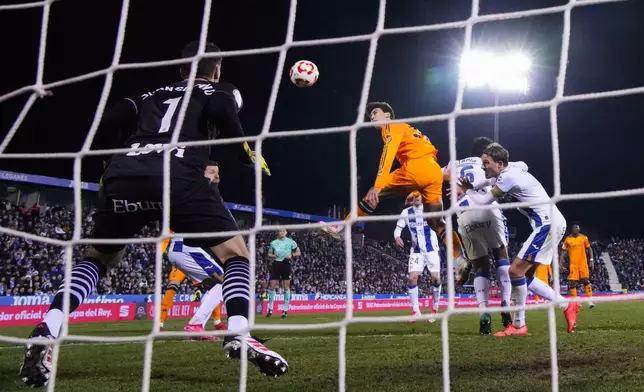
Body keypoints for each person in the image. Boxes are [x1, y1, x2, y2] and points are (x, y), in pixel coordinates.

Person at [20, 41, 286, 387]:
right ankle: (238, 331)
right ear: (216, 69)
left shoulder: (148, 95)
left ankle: (48, 327)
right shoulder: (220, 89)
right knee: (236, 255)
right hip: (177, 175)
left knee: (97, 258)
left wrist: (106, 165)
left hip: (124, 173)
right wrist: (243, 152)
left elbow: (111, 118)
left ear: (180, 69)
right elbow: (223, 111)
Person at [457, 142, 580, 337]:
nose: (483, 167)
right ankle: (567, 305)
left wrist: (468, 190)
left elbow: (481, 202)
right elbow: (522, 165)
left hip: (546, 224)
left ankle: (519, 325)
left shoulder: (508, 177)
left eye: (486, 163)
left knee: (515, 271)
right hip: (552, 222)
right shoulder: (513, 169)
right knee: (527, 277)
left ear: (499, 163)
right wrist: (475, 184)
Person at [322, 102, 463, 260]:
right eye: (370, 116)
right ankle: (460, 257)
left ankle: (342, 228)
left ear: (387, 115)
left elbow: (387, 155)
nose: (372, 117)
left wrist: (378, 186)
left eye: (375, 112)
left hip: (415, 167)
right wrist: (417, 191)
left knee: (372, 196)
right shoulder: (408, 129)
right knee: (436, 221)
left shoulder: (390, 127)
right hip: (434, 171)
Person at [443, 137, 518, 334]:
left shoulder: (452, 165)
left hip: (464, 215)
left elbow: (434, 176)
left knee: (479, 266)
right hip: (488, 208)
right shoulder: (487, 164)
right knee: (502, 256)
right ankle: (505, 302)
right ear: (485, 153)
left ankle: (484, 312)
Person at [159, 163, 227, 332]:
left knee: (217, 285)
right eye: (213, 173)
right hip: (184, 248)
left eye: (218, 174)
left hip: (187, 249)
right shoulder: (196, 193)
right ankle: (194, 324)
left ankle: (208, 322)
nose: (217, 177)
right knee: (224, 281)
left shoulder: (203, 195)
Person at [394, 191, 442, 323]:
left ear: (423, 196)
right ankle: (416, 311)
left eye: (418, 196)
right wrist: (397, 236)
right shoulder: (406, 213)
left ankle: (435, 308)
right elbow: (398, 228)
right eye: (413, 196)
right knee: (412, 278)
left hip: (432, 250)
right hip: (416, 251)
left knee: (436, 279)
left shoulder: (430, 210)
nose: (416, 198)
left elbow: (441, 224)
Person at [266, 229, 301, 319]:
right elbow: (269, 254)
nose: (282, 232)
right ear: (278, 232)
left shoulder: (291, 242)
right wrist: (273, 256)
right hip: (276, 264)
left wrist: (292, 255)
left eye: (283, 231)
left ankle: (285, 311)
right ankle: (270, 309)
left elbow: (298, 252)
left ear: (286, 233)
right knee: (272, 286)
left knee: (286, 287)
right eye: (280, 231)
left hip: (286, 264)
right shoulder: (273, 243)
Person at [561, 224, 595, 308]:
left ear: (579, 229)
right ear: (572, 229)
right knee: (573, 283)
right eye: (574, 228)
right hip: (573, 265)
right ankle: (574, 302)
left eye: (577, 228)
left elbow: (589, 248)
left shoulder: (584, 238)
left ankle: (590, 300)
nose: (576, 229)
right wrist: (560, 262)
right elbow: (563, 251)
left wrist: (591, 260)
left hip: (583, 263)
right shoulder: (568, 239)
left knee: (585, 281)